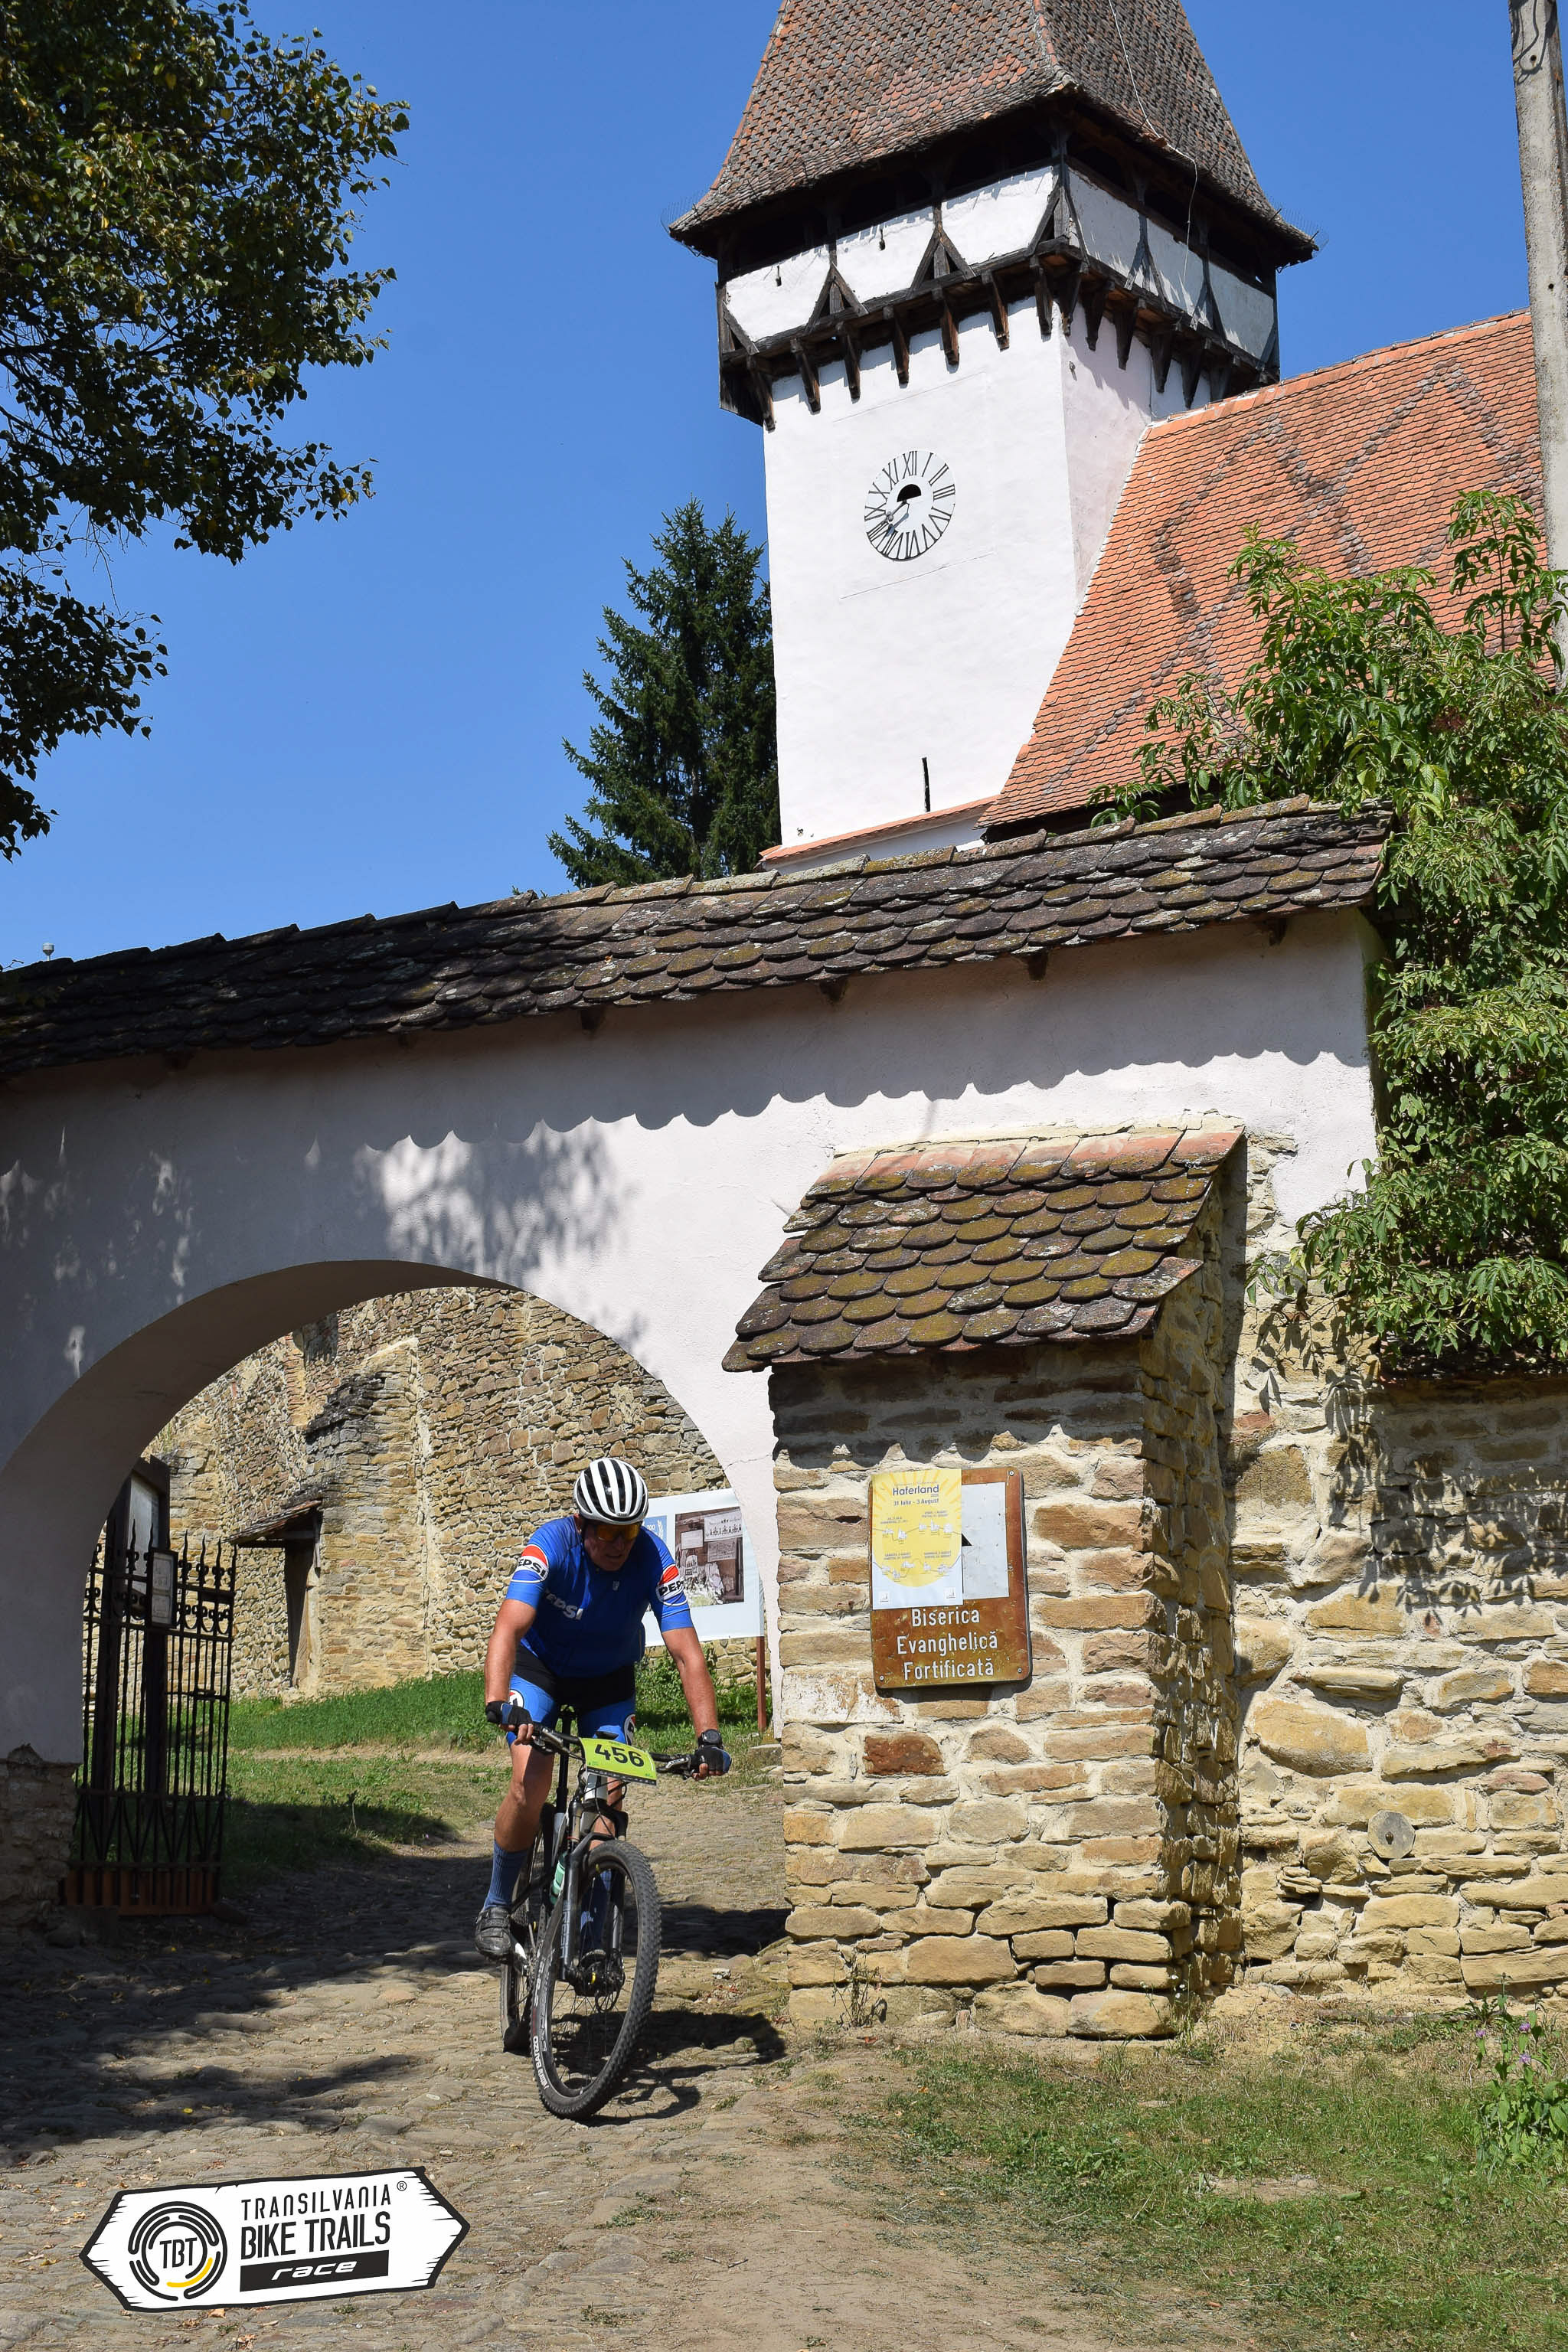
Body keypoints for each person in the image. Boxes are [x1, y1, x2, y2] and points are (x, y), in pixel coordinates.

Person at [473, 1455, 730, 1961]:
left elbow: (687, 1654)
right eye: (607, 1532)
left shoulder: (654, 1558)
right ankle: (497, 1905)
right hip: (540, 1671)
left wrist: (709, 1738)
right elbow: (508, 1628)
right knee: (531, 1783)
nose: (618, 1544)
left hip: (608, 1681)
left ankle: (591, 1934)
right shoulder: (549, 1545)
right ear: (580, 1524)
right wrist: (500, 1703)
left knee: (609, 1796)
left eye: (628, 1531)